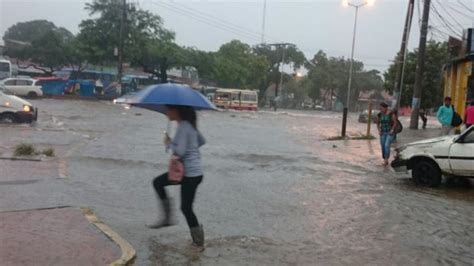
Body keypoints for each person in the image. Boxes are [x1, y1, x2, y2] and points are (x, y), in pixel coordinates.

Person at [148, 105, 206, 248]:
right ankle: (169, 219)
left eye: (169, 110)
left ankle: (198, 242)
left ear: (177, 111)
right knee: (158, 183)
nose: (167, 113)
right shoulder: (188, 126)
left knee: (186, 208)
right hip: (193, 173)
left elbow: (179, 152)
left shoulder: (184, 127)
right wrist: (189, 146)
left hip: (190, 174)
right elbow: (201, 141)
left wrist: (169, 143)